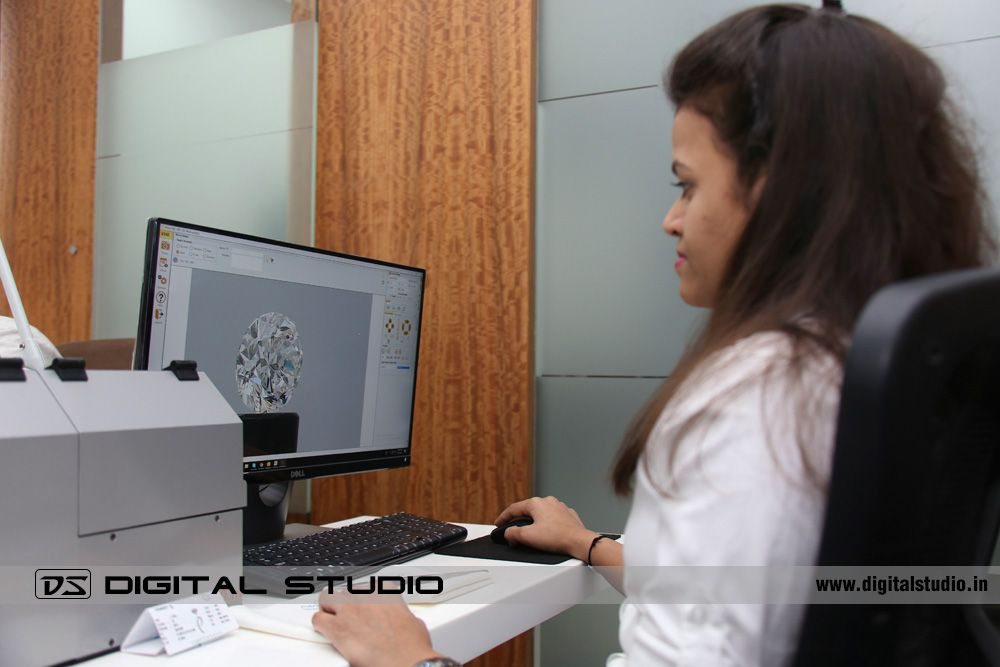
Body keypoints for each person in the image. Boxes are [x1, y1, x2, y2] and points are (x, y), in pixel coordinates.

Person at [311, 2, 994, 665]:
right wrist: (588, 542)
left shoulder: (754, 398)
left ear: (781, 192)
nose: (672, 219)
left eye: (688, 185)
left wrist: (414, 658)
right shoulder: (869, 361)